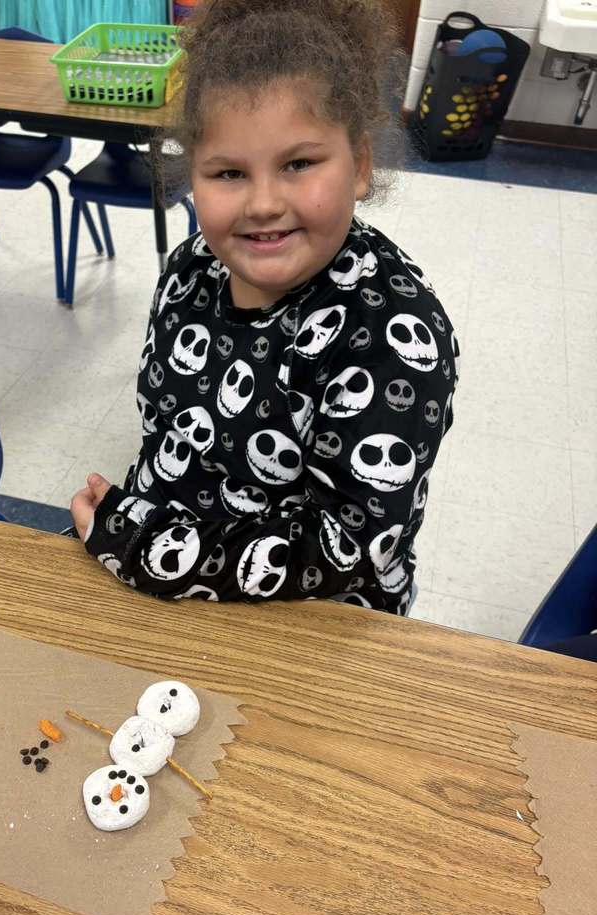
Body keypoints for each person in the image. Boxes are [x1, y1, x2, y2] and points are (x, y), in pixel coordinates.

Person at [69, 0, 459, 611]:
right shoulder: (191, 269)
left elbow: (349, 545)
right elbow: (166, 430)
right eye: (228, 173)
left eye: (298, 164)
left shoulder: (392, 334)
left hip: (310, 626)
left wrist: (140, 544)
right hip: (171, 583)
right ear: (191, 175)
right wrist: (142, 525)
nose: (262, 203)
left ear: (358, 165)